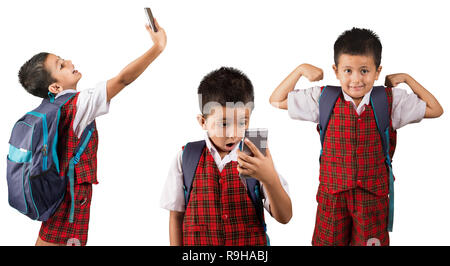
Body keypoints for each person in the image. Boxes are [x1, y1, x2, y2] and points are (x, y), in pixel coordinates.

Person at [269, 27, 443, 246]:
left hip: (372, 199)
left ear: (377, 71)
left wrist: (407, 79)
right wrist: (300, 70)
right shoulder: (322, 98)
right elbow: (276, 100)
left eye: (364, 70)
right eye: (348, 71)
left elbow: (435, 109)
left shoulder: (390, 101)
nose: (356, 79)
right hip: (332, 197)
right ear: (336, 70)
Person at [18, 19, 167, 246]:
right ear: (55, 87)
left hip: (57, 193)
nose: (68, 61)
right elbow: (123, 79)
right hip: (71, 197)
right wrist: (157, 47)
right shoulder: (79, 104)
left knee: (49, 236)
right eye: (60, 65)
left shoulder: (49, 107)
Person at [161, 67, 292, 246]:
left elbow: (285, 217)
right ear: (203, 122)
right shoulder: (187, 156)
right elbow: (176, 216)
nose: (233, 133)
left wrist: (269, 179)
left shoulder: (256, 152)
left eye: (242, 122)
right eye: (224, 123)